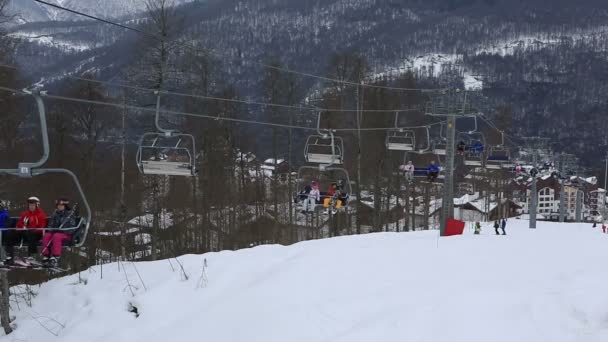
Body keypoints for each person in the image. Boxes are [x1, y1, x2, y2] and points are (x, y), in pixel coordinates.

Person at [3, 196, 46, 265]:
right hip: (24, 233)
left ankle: (32, 256)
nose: (31, 207)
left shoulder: (40, 215)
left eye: (33, 205)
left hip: (36, 234)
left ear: (37, 205)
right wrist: (19, 229)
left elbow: (41, 227)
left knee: (31, 233)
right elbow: (19, 224)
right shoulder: (25, 214)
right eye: (30, 205)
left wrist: (32, 229)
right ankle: (9, 256)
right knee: (10, 233)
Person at [42, 198, 77, 266]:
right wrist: (51, 230)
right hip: (56, 233)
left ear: (65, 206)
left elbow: (72, 228)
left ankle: (56, 256)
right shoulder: (55, 214)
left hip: (67, 235)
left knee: (56, 236)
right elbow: (50, 225)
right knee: (47, 235)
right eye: (58, 205)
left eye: (61, 205)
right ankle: (46, 255)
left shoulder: (69, 215)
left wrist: (62, 230)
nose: (59, 207)